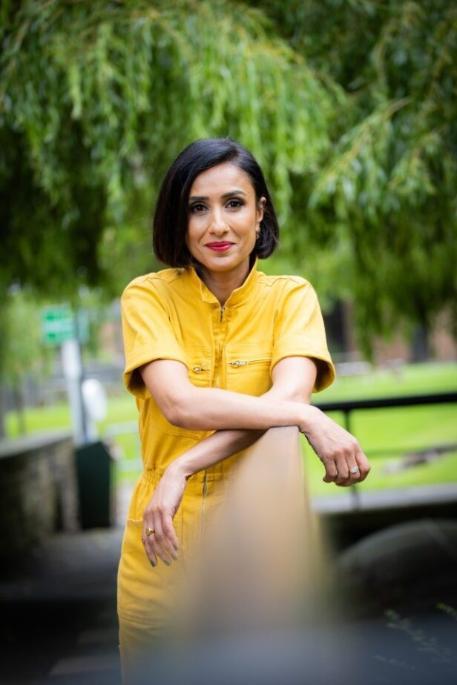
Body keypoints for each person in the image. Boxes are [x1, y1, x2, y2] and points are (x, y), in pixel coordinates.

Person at [117, 138, 370, 679]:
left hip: (264, 544)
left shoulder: (291, 298)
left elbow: (288, 398)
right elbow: (180, 403)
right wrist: (304, 417)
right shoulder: (147, 297)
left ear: (260, 212)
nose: (217, 226)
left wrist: (185, 464)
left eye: (234, 203)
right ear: (177, 219)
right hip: (163, 545)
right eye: (197, 207)